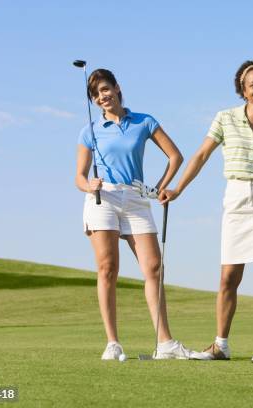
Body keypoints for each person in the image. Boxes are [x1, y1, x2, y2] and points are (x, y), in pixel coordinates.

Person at [160, 60, 253, 363]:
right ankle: (221, 344)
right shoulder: (225, 118)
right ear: (243, 91)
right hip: (236, 198)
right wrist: (177, 189)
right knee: (228, 277)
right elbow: (201, 155)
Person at [75, 68, 194, 360]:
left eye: (105, 89)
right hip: (103, 198)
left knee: (154, 268)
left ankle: (164, 343)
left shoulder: (143, 121)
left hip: (137, 198)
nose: (101, 97)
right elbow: (78, 176)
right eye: (95, 94)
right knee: (108, 268)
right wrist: (89, 184)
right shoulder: (90, 130)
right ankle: (113, 343)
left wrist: (160, 188)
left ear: (117, 88)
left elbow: (175, 156)